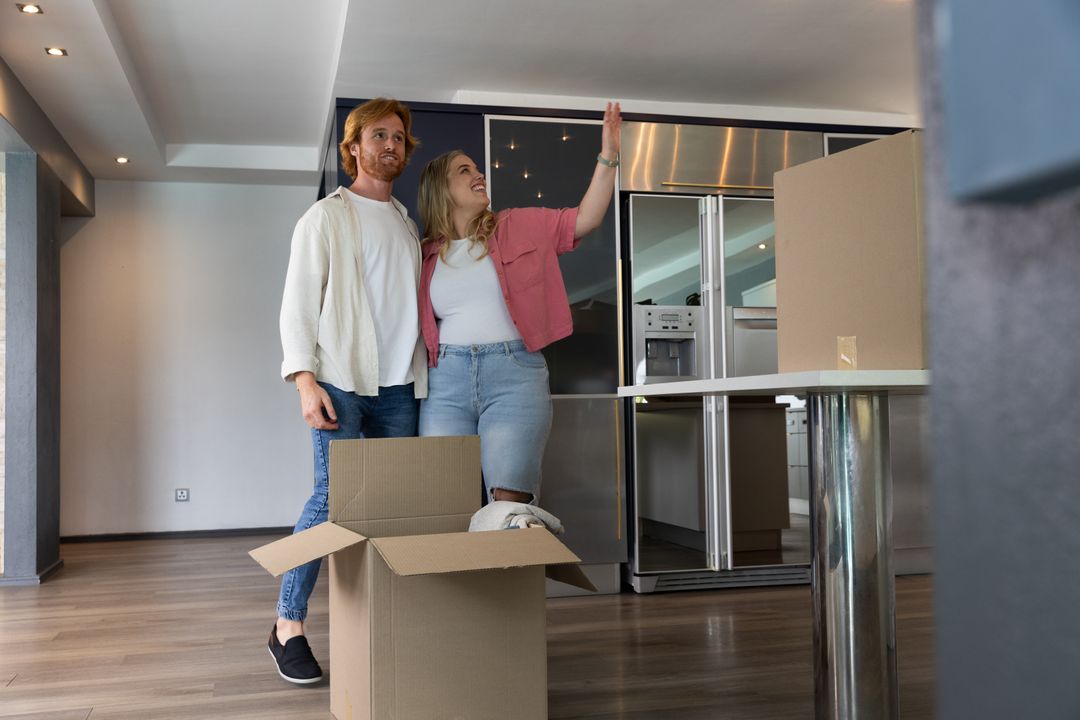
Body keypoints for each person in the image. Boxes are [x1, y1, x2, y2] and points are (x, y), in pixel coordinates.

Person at [271, 97, 427, 685]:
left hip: (400, 388)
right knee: (332, 501)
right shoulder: (325, 218)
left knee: (390, 506)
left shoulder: (408, 223)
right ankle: (288, 625)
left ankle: (382, 621)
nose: (390, 145)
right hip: (341, 380)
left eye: (399, 137)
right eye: (378, 135)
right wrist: (304, 381)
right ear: (354, 147)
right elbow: (297, 306)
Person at [416, 102, 621, 506]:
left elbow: (586, 219)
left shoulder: (517, 224)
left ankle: (509, 568)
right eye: (464, 170)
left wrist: (609, 157)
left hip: (514, 376)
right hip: (445, 382)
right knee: (444, 502)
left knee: (510, 503)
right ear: (441, 189)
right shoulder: (423, 253)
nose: (478, 175)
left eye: (477, 168)